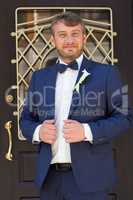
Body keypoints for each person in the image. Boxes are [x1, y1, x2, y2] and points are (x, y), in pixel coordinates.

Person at [20, 12, 133, 200]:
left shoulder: (106, 73)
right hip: (49, 178)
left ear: (84, 38)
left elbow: (125, 117)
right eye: (62, 35)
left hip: (91, 178)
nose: (69, 40)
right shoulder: (39, 77)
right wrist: (38, 131)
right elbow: (25, 120)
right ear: (53, 39)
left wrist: (87, 131)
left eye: (75, 34)